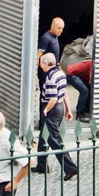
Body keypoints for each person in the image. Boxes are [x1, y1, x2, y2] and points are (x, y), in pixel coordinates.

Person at [34, 52, 78, 180]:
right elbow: (64, 94)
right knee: (43, 137)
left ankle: (70, 168)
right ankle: (42, 165)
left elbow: (53, 98)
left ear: (47, 64)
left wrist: (46, 110)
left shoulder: (50, 78)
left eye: (41, 63)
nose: (40, 65)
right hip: (59, 108)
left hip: (52, 109)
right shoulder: (60, 74)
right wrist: (68, 110)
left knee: (54, 140)